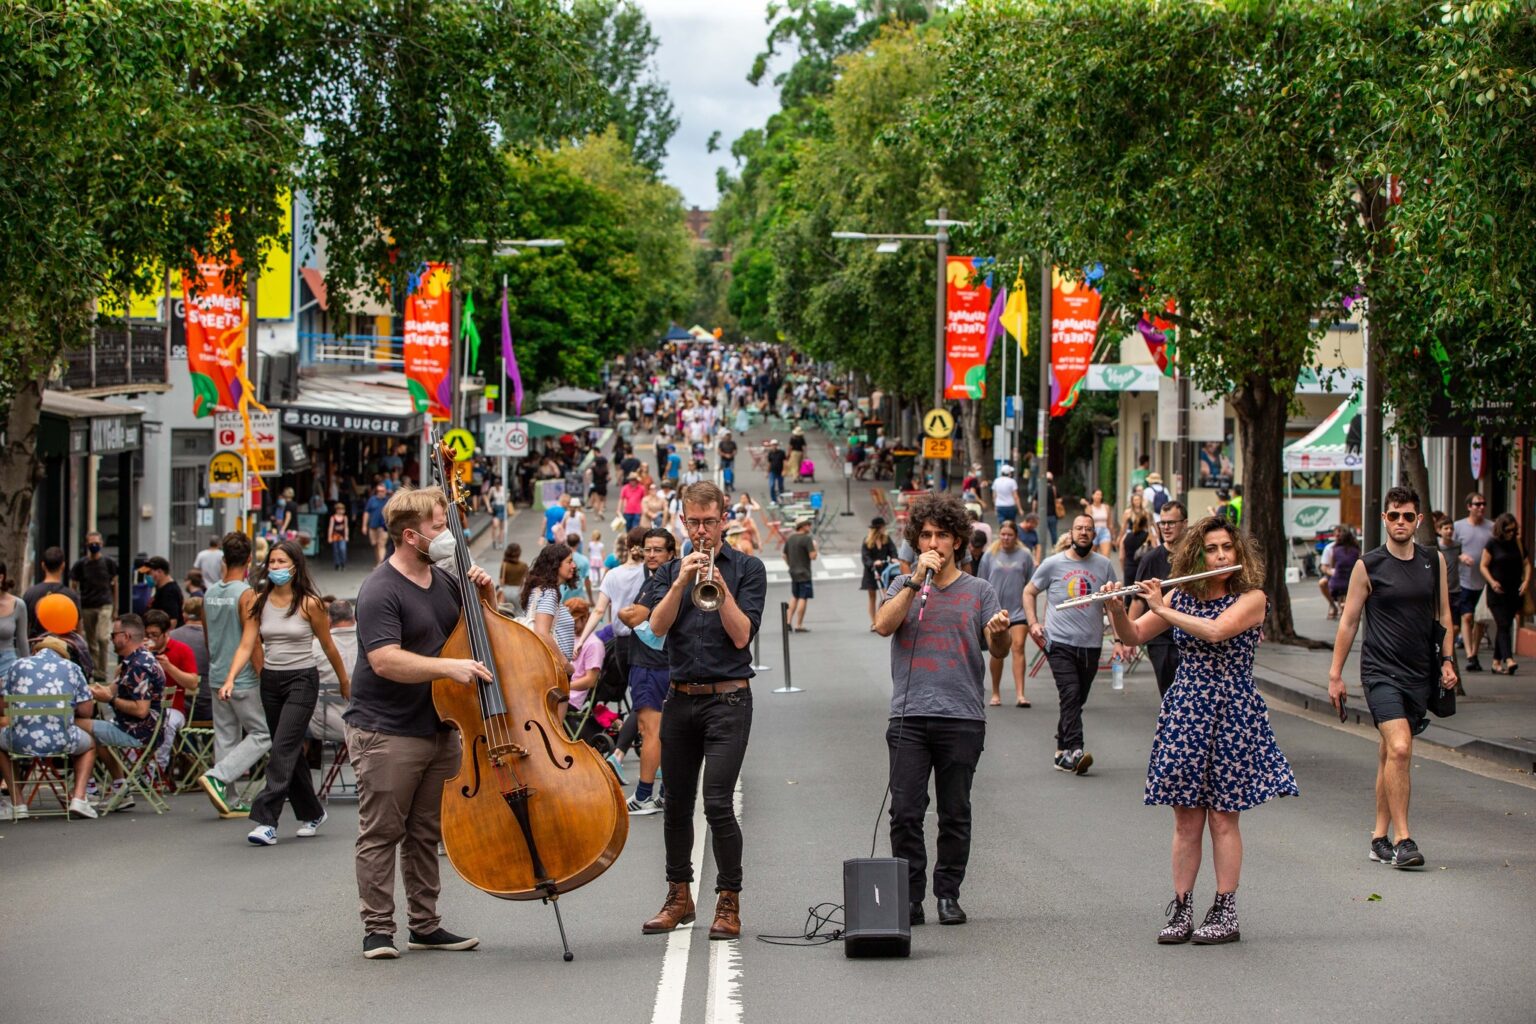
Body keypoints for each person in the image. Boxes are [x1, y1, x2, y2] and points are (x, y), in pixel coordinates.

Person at [1104, 515, 1296, 944]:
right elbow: (1133, 635)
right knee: (1185, 818)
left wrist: (1163, 607)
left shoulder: (1252, 598)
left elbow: (1215, 632)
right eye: (1212, 549)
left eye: (1227, 547)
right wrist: (1117, 608)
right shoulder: (1182, 595)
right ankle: (1182, 905)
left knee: (1224, 818)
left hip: (1232, 708)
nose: (1221, 555)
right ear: (1198, 554)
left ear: (1238, 552)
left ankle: (1225, 909)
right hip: (1186, 707)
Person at [345, 485, 495, 960]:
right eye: (438, 525)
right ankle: (378, 930)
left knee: (425, 833)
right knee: (382, 833)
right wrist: (448, 668)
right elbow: (385, 660)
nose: (447, 533)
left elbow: (481, 634)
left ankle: (425, 925)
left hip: (439, 727)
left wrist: (488, 598)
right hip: (386, 729)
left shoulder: (447, 580)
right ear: (411, 536)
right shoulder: (380, 590)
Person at [874, 492, 1011, 926]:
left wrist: (1002, 632)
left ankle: (948, 894)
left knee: (955, 812)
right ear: (916, 541)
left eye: (943, 536)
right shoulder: (903, 586)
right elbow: (882, 626)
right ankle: (910, 897)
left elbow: (999, 650)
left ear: (958, 541)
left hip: (962, 717)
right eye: (926, 535)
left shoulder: (980, 591)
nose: (934, 543)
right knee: (905, 811)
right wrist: (915, 581)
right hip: (908, 717)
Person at [639, 483, 766, 941]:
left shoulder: (748, 568)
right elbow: (655, 628)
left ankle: (728, 901)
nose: (701, 531)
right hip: (679, 698)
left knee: (716, 802)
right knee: (675, 804)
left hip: (728, 699)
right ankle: (679, 896)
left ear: (724, 519)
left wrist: (721, 586)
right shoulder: (670, 570)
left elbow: (741, 636)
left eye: (709, 522)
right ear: (683, 522)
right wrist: (679, 582)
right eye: (693, 523)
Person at [1329, 486, 1457, 871]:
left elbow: (1445, 616)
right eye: (1393, 515)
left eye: (1407, 516)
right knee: (1400, 747)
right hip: (1380, 672)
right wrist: (1335, 674)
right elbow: (1349, 621)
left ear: (1418, 520)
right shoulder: (1368, 566)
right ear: (1384, 519)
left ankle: (1378, 838)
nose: (1400, 522)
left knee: (1390, 752)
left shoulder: (1434, 561)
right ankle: (1403, 840)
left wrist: (1448, 661)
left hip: (1420, 671)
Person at [220, 540, 349, 846]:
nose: (276, 567)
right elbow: (247, 644)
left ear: (295, 566)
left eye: (282, 562)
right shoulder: (257, 602)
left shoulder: (310, 604)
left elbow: (329, 646)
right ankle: (313, 811)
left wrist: (345, 682)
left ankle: (266, 820)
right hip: (271, 681)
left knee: (281, 747)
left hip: (302, 680)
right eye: (273, 562)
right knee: (288, 749)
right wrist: (229, 679)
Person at [1023, 513, 1117, 775]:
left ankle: (1060, 752)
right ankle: (1076, 750)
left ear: (1093, 535)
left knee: (1077, 699)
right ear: (1072, 533)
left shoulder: (1105, 565)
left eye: (1088, 528)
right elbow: (1029, 591)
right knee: (1071, 693)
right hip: (1059, 642)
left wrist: (1119, 639)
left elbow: (1112, 604)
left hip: (1091, 644)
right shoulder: (1053, 564)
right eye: (1079, 528)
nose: (1084, 532)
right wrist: (1033, 623)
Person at [198, 532, 271, 818]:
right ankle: (219, 776)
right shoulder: (247, 594)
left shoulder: (210, 593)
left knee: (225, 736)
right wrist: (262, 671)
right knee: (263, 733)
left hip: (217, 672)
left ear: (223, 560)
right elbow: (252, 640)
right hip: (241, 677)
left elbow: (207, 638)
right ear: (250, 560)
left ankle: (228, 798)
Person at [0, 636, 99, 819]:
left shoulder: (17, 666)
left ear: (36, 651)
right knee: (90, 745)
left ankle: (18, 803)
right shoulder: (72, 668)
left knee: (1, 743)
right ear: (62, 655)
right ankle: (79, 798)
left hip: (20, 741)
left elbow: (3, 705)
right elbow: (86, 711)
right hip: (62, 741)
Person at [617, 529, 677, 816]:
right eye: (648, 549)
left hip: (650, 665)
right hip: (666, 663)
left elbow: (632, 616)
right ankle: (665, 793)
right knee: (664, 732)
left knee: (649, 731)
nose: (651, 554)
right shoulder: (671, 581)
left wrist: (623, 613)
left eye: (657, 550)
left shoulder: (656, 584)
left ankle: (643, 795)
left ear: (670, 554)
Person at [84, 614, 164, 811]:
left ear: (126, 636)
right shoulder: (137, 660)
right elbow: (112, 689)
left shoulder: (139, 666)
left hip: (137, 731)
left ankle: (88, 787)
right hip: (140, 728)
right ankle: (120, 787)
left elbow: (140, 710)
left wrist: (109, 699)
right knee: (95, 732)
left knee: (79, 725)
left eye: (113, 635)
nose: (111, 639)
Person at [1129, 501, 1188, 698]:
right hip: (1161, 640)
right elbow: (1138, 600)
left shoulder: (1195, 558)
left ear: (1185, 523)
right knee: (1170, 694)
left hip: (1190, 635)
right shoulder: (1151, 559)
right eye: (1162, 523)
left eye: (1171, 523)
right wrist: (1128, 637)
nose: (1166, 528)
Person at [978, 521, 1036, 708]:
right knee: (997, 652)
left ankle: (1020, 694)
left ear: (1016, 536)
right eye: (1003, 534)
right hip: (995, 612)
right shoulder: (990, 555)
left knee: (1018, 647)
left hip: (1018, 611)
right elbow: (981, 582)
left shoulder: (1025, 555)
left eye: (1009, 535)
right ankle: (995, 693)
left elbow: (1030, 583)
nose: (1006, 538)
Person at [142, 609, 197, 772]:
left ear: (166, 633)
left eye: (155, 634)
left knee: (166, 723)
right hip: (143, 707)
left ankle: (158, 769)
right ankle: (133, 768)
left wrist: (169, 667)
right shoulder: (140, 651)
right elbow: (119, 676)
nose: (151, 639)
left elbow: (193, 683)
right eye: (147, 634)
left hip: (173, 708)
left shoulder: (182, 649)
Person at [1479, 513, 1530, 675]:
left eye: (1513, 530)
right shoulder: (1492, 543)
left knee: (1505, 626)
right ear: (1501, 529)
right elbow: (1483, 566)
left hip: (1514, 591)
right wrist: (1492, 581)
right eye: (1508, 530)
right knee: (1503, 624)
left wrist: (1526, 582)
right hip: (1497, 592)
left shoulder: (1518, 543)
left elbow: (1527, 564)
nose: (1511, 534)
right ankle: (1509, 659)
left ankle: (1495, 662)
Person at [522, 542, 579, 673]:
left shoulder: (539, 590)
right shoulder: (549, 592)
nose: (573, 566)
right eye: (569, 562)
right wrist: (566, 665)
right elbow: (542, 632)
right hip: (551, 669)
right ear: (555, 564)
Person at [1453, 492, 1494, 672]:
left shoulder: (1491, 527)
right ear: (1469, 506)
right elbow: (1450, 548)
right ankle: (1470, 655)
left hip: (1484, 582)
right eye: (1477, 504)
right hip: (1464, 580)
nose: (1481, 507)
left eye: (1483, 504)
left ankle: (1475, 653)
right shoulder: (1458, 527)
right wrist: (1461, 556)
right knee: (1467, 617)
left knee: (1480, 620)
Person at [69, 531, 118, 683]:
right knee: (90, 641)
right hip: (87, 605)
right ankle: (95, 670)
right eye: (91, 543)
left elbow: (115, 585)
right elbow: (73, 587)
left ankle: (102, 671)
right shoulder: (80, 565)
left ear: (102, 544)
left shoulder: (109, 563)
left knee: (102, 638)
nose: (94, 545)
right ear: (87, 545)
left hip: (105, 604)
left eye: (96, 543)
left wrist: (115, 608)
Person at [310, 598, 357, 743]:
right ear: (354, 618)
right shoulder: (369, 643)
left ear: (328, 620)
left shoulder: (315, 647)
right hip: (367, 725)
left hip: (325, 726)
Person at [21, 546, 79, 639]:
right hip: (64, 648)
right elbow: (77, 629)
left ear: (43, 565)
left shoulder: (30, 594)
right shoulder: (71, 596)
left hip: (37, 647)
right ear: (63, 565)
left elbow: (24, 628)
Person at [860, 517, 899, 631]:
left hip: (884, 570)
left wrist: (894, 558)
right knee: (872, 596)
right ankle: (874, 622)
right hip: (871, 570)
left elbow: (893, 550)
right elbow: (865, 556)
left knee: (885, 595)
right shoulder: (867, 540)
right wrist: (872, 563)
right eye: (883, 527)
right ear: (877, 529)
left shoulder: (886, 538)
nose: (884, 529)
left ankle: (882, 619)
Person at [783, 517, 817, 632]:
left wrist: (790, 565)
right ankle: (799, 624)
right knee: (803, 597)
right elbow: (813, 556)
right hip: (804, 572)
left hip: (793, 572)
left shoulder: (790, 538)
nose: (809, 526)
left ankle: (787, 621)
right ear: (802, 526)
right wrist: (815, 547)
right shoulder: (807, 539)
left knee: (794, 596)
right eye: (807, 524)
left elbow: (784, 555)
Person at [0, 563, 26, 679]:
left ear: (1, 577)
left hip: (8, 664)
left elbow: (22, 641)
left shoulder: (18, 604)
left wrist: (28, 670)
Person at [1328, 527, 1362, 615]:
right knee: (1348, 586)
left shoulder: (1335, 550)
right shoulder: (1356, 550)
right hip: (1351, 581)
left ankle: (1340, 606)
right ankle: (1345, 605)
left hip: (1337, 583)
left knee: (1338, 583)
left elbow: (1332, 565)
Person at [1082, 489, 1115, 556]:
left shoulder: (1106, 507)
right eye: (1097, 494)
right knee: (1091, 557)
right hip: (1093, 532)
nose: (1098, 496)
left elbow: (1110, 523)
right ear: (1092, 496)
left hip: (1104, 532)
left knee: (1106, 557)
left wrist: (1113, 536)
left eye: (1100, 495)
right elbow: (1089, 522)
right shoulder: (1089, 508)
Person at [364, 483, 391, 564]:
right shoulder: (372, 500)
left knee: (381, 544)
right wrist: (364, 526)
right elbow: (366, 512)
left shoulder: (388, 501)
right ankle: (379, 563)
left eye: (382, 491)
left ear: (385, 491)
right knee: (375, 544)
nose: (380, 492)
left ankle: (382, 565)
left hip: (383, 527)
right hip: (373, 526)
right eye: (378, 491)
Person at [499, 543, 529, 610]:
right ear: (519, 553)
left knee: (506, 612)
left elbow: (501, 581)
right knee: (519, 612)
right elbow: (527, 580)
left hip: (506, 592)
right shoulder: (524, 565)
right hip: (519, 591)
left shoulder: (504, 565)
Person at [329, 502, 351, 571]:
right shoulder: (333, 518)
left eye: (342, 509)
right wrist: (329, 536)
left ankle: (343, 562)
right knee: (336, 550)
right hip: (335, 536)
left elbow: (346, 527)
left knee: (342, 549)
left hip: (342, 536)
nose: (341, 511)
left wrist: (347, 536)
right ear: (336, 510)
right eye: (339, 509)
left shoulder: (345, 517)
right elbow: (331, 527)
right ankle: (337, 563)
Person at [765, 439, 787, 504]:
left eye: (775, 445)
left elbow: (784, 462)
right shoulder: (770, 453)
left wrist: (784, 470)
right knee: (772, 485)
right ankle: (773, 499)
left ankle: (781, 498)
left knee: (780, 485)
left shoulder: (781, 452)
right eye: (772, 445)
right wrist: (767, 472)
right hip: (772, 471)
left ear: (777, 445)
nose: (774, 446)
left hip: (780, 471)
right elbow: (769, 463)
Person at [487, 478, 508, 548]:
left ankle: (500, 542)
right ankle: (494, 540)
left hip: (502, 508)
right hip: (496, 508)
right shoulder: (492, 489)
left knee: (501, 527)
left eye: (498, 484)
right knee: (495, 525)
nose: (497, 486)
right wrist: (489, 507)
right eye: (496, 484)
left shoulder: (503, 489)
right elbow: (488, 498)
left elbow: (507, 497)